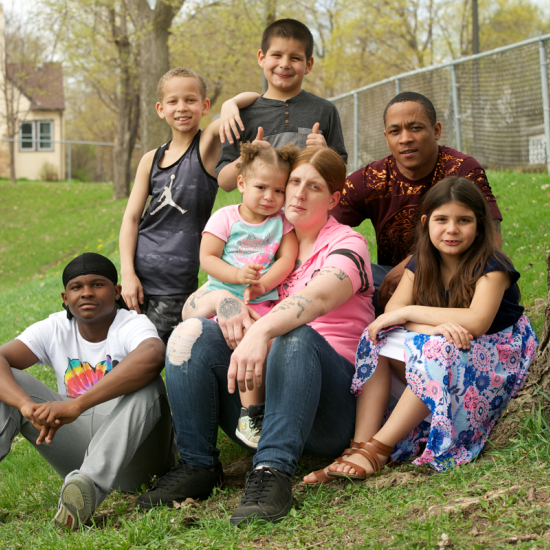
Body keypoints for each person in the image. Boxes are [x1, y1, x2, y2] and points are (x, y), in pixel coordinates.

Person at [136, 147, 374, 524]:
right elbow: (190, 307)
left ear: (333, 198)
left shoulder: (347, 245)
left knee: (294, 335)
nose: (297, 193)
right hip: (262, 401)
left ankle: (272, 473)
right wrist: (222, 300)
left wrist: (259, 330)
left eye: (312, 187)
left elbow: (318, 298)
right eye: (293, 182)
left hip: (330, 407)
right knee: (189, 334)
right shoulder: (268, 241)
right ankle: (198, 464)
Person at [311, 177, 538, 482]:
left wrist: (410, 314)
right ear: (426, 222)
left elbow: (476, 321)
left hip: (498, 351)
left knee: (435, 347)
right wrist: (435, 325)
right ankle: (360, 444)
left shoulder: (492, 265)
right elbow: (391, 315)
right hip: (454, 344)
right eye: (441, 219)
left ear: (480, 225)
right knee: (376, 337)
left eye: (464, 221)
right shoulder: (423, 262)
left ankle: (379, 449)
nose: (452, 229)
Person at [0, 253, 176, 529]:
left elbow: (154, 354)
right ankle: (80, 487)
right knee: (10, 382)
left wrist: (77, 404)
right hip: (79, 452)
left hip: (137, 457)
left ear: (117, 292)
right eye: (76, 287)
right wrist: (24, 405)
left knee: (149, 385)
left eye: (97, 284)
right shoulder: (55, 327)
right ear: (65, 297)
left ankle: (88, 488)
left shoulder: (131, 324)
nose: (86, 293)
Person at [119, 67, 260, 343]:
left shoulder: (206, 145)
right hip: (136, 280)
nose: (181, 107)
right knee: (126, 350)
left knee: (157, 353)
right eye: (173, 101)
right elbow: (132, 219)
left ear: (205, 106)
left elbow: (256, 98)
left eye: (190, 100)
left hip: (176, 285)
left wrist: (230, 104)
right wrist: (127, 273)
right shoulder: (151, 158)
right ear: (161, 109)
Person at [331, 91, 503, 315]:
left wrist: (415, 264)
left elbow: (493, 241)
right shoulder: (370, 179)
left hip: (455, 278)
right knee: (343, 274)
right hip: (391, 283)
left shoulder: (462, 170)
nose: (405, 138)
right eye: (395, 131)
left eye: (415, 128)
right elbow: (322, 227)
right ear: (386, 137)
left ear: (436, 130)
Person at [201, 141, 300, 448]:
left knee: (271, 343)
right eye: (261, 187)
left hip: (265, 299)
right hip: (227, 298)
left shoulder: (281, 223)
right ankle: (250, 415)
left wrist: (263, 282)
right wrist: (236, 275)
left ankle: (272, 409)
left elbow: (287, 257)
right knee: (250, 343)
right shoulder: (226, 218)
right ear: (241, 183)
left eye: (279, 190)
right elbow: (207, 257)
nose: (270, 197)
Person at [216, 18, 347, 192]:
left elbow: (341, 176)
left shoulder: (325, 110)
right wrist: (248, 157)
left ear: (308, 65)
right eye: (276, 55)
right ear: (262, 58)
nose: (284, 64)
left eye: (295, 58)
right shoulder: (241, 115)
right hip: (261, 218)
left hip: (309, 217)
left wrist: (325, 154)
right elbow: (224, 183)